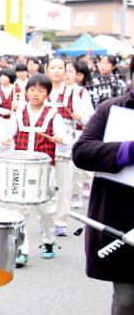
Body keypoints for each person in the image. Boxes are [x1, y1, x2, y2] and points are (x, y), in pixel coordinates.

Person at [72, 83, 134, 315]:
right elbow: (82, 151)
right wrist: (127, 150)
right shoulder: (112, 109)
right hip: (122, 216)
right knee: (127, 296)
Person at [0, 74, 68, 266]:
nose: (35, 94)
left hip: (45, 169)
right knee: (20, 209)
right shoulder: (19, 113)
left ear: (47, 93)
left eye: (40, 90)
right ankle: (21, 249)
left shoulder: (53, 114)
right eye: (32, 90)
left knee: (45, 210)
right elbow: (7, 136)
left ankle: (48, 240)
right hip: (21, 168)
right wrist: (5, 140)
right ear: (26, 91)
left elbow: (64, 141)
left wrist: (60, 140)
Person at [47, 58, 94, 236]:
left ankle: (61, 219)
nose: (57, 71)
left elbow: (89, 118)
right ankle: (48, 215)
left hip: (67, 139)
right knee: (47, 181)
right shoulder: (42, 89)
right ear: (47, 70)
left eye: (61, 68)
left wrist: (79, 116)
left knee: (64, 181)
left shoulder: (76, 93)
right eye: (53, 68)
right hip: (46, 140)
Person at [66, 60, 96, 207]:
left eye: (70, 71)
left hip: (76, 132)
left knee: (74, 166)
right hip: (58, 135)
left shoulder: (81, 92)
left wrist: (81, 116)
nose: (66, 74)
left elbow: (91, 115)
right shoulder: (53, 90)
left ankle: (75, 194)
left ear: (77, 74)